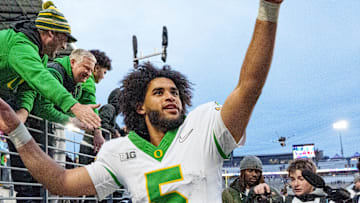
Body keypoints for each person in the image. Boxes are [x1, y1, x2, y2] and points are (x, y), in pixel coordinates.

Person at [0, 0, 284, 202]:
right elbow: (60, 182)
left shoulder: (205, 127)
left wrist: (268, 8)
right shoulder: (120, 151)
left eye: (174, 92)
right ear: (140, 106)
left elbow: (249, 87)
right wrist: (16, 129)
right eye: (158, 93)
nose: (170, 97)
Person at [7, 49, 96, 202]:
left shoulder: (76, 84)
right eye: (86, 68)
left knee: (40, 183)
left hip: (40, 133)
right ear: (73, 62)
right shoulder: (54, 72)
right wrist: (70, 120)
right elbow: (43, 107)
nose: (89, 73)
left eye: (91, 70)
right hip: (31, 131)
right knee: (30, 183)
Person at [0, 1, 100, 129]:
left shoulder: (41, 56)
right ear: (51, 33)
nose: (64, 46)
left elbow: (29, 86)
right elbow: (39, 77)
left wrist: (23, 111)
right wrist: (74, 106)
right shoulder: (21, 46)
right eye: (63, 40)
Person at [78, 49, 112, 155]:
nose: (103, 76)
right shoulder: (88, 81)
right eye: (104, 72)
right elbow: (91, 104)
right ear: (96, 68)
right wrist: (98, 131)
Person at [79, 88, 124, 166]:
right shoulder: (109, 108)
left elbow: (115, 127)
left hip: (95, 147)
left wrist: (123, 132)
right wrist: (114, 132)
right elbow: (102, 123)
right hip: (91, 146)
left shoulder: (112, 113)